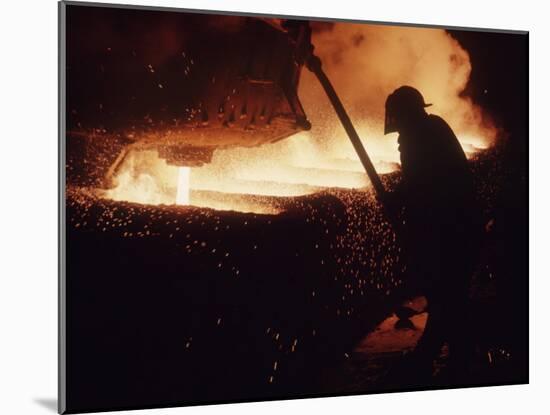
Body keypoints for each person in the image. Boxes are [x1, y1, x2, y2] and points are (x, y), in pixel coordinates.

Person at [381, 85, 483, 381]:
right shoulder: (433, 127)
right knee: (450, 297)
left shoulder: (418, 138)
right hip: (462, 226)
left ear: (403, 114)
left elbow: (424, 182)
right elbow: (425, 177)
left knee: (445, 298)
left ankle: (439, 360)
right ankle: (455, 356)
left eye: (398, 117)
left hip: (451, 230)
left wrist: (396, 201)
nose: (397, 129)